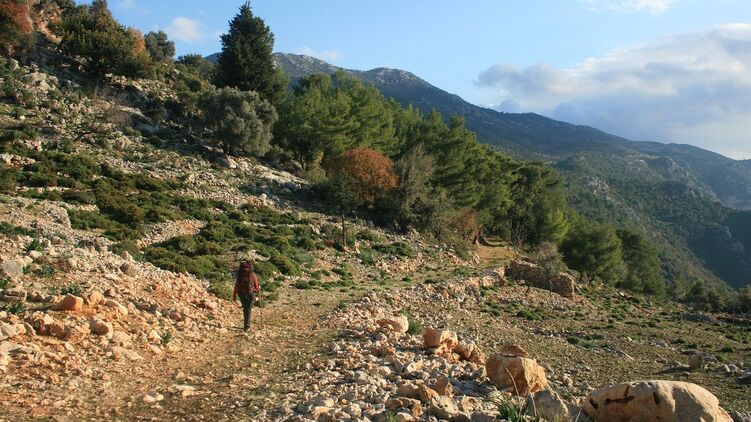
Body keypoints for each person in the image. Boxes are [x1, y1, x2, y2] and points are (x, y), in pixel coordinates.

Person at [232, 260, 260, 332]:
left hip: (241, 294)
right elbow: (256, 286)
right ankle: (246, 327)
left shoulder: (240, 275)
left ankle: (246, 326)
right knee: (248, 310)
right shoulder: (253, 275)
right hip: (250, 294)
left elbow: (236, 286)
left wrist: (234, 295)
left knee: (245, 309)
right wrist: (259, 294)